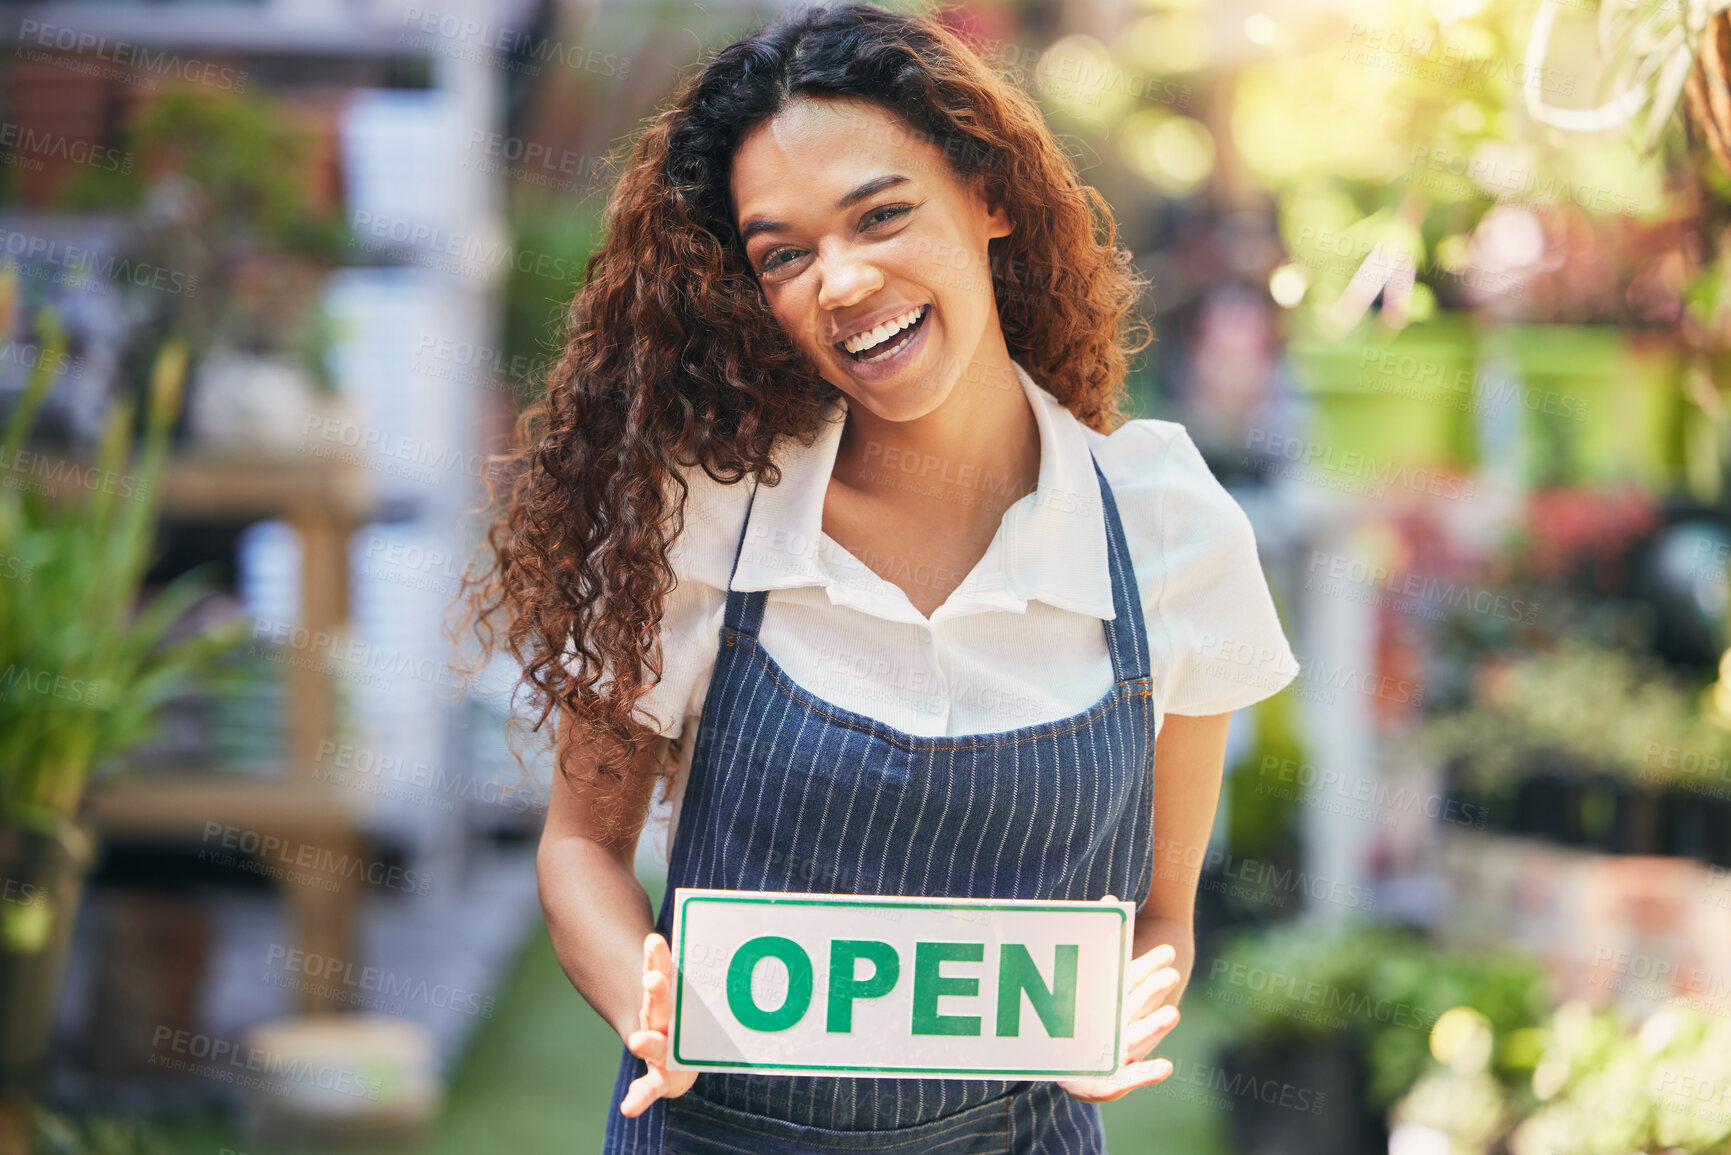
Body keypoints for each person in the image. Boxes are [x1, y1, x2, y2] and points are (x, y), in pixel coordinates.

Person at [464, 4, 1300, 1151]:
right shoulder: (710, 514)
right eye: (784, 255)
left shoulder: (1165, 530)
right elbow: (580, 848)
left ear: (990, 196)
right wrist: (642, 997)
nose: (843, 282)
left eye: (883, 215)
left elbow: (1162, 912)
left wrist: (1133, 1001)